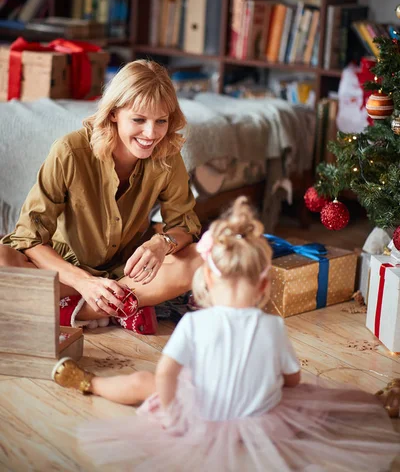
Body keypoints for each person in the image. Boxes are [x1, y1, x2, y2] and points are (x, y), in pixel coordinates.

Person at [52, 197, 400, 472]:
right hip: (261, 419)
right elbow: (292, 382)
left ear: (206, 280)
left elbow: (166, 374)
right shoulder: (272, 326)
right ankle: (379, 404)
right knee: (314, 401)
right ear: (264, 283)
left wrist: (173, 410)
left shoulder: (193, 324)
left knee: (142, 382)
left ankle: (88, 383)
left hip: (201, 411)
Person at [0, 59, 202, 333]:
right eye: (139, 120)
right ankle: (121, 308)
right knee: (2, 259)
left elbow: (184, 225)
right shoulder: (70, 151)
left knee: (198, 259)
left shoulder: (167, 154)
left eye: (161, 121)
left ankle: (75, 310)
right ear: (114, 113)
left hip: (128, 273)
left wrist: (161, 244)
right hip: (63, 274)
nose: (151, 133)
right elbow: (29, 239)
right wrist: (83, 282)